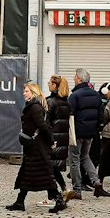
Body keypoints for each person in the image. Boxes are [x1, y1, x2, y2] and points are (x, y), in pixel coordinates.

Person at [8, 82, 67, 213]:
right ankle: (20, 201)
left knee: (43, 174)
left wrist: (51, 141)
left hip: (37, 147)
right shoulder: (32, 106)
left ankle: (59, 199)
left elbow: (43, 126)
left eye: (27, 91)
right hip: (33, 147)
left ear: (33, 93)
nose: (24, 93)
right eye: (24, 91)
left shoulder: (34, 107)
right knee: (27, 173)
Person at [67, 70, 108, 197]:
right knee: (85, 157)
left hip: (77, 133)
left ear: (79, 79)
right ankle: (96, 181)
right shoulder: (96, 95)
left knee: (74, 160)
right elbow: (100, 115)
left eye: (75, 77)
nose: (73, 79)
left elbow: (69, 114)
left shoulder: (74, 95)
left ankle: (77, 190)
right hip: (90, 132)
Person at [45, 74, 75, 203]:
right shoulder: (66, 102)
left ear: (55, 85)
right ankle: (62, 190)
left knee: (48, 166)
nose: (47, 84)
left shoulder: (50, 102)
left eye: (50, 82)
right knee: (52, 166)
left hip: (52, 138)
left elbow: (46, 122)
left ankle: (56, 195)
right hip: (62, 138)